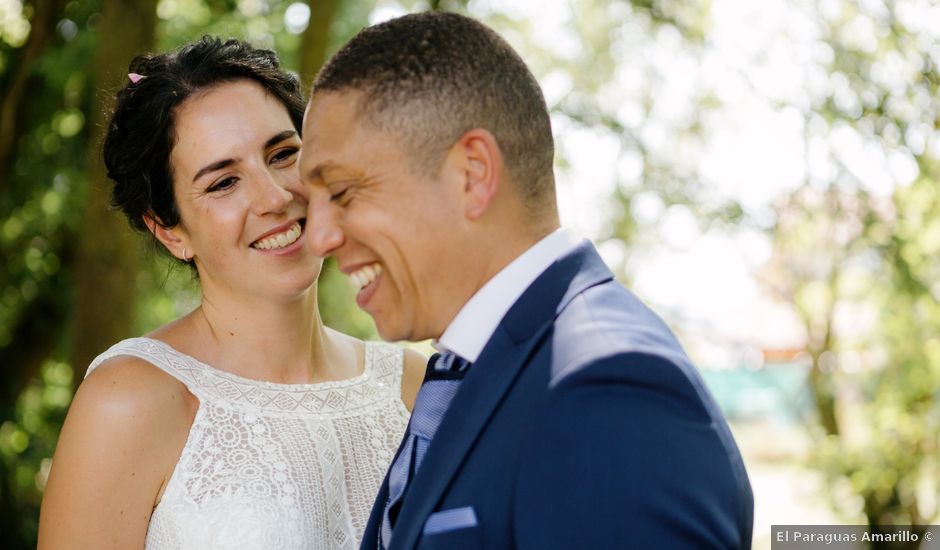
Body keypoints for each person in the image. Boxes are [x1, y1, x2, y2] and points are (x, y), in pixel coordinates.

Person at [300, 11, 753, 550]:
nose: (318, 237)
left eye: (344, 192)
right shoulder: (469, 373)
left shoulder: (608, 392)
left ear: (472, 174)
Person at [38, 36, 424, 550]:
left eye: (284, 153)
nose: (274, 196)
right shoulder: (128, 402)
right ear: (169, 231)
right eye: (223, 183)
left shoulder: (418, 389)